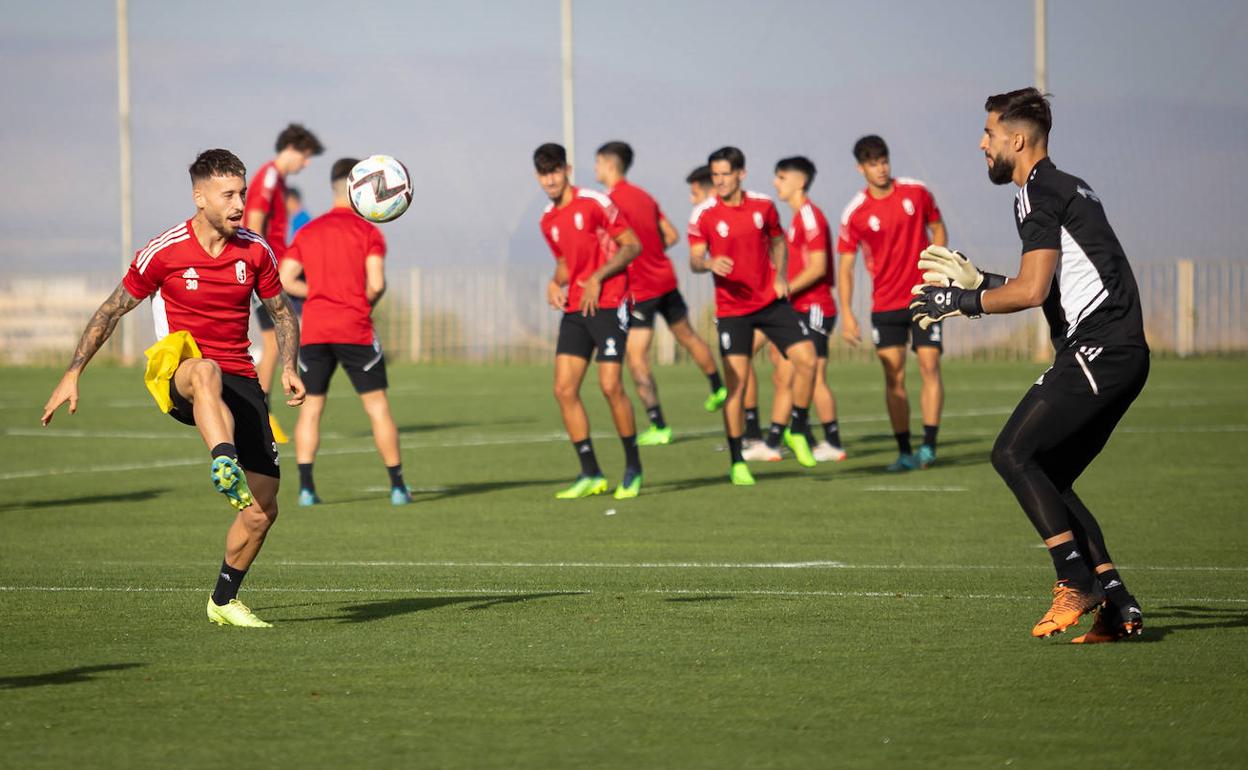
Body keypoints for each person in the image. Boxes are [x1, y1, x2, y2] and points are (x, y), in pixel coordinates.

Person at [911, 87, 1148, 643]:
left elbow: (1033, 288)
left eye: (989, 134)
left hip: (1099, 349)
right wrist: (983, 282)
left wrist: (960, 302)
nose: (982, 143)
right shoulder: (1069, 186)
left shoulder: (1035, 191)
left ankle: (1074, 580)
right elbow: (1048, 289)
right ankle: (1118, 604)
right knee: (1050, 474)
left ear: (1016, 140)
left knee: (1012, 453)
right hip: (1120, 353)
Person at [41, 149, 305, 628]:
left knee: (263, 509)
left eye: (242, 193)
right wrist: (73, 371)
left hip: (241, 378)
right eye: (228, 194)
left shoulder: (256, 251)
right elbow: (111, 310)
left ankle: (223, 600)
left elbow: (283, 313)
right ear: (199, 197)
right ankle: (222, 459)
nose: (239, 204)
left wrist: (288, 365)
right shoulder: (163, 251)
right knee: (203, 369)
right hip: (179, 370)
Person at [279, 158, 411, 507]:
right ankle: (398, 487)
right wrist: (356, 298)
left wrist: (319, 292)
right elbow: (377, 283)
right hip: (354, 329)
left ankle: (306, 490)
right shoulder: (369, 231)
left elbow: (285, 277)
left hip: (316, 331)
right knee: (377, 408)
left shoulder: (308, 231)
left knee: (310, 411)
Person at [689, 146, 819, 485]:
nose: (718, 181)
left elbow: (778, 240)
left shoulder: (763, 206)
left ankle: (798, 428)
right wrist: (707, 263)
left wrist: (780, 275)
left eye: (724, 174)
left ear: (741, 174)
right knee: (738, 385)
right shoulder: (703, 215)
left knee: (807, 359)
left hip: (770, 303)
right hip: (733, 312)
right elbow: (693, 259)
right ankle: (737, 461)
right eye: (714, 175)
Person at [594, 142, 726, 447]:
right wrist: (651, 253)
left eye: (598, 163)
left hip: (640, 287)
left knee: (636, 356)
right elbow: (671, 235)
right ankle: (717, 386)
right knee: (688, 335)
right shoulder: (644, 196)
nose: (597, 169)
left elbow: (607, 247)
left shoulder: (608, 202)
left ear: (608, 164)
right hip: (665, 278)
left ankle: (658, 425)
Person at [535, 143, 645, 499]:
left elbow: (631, 245)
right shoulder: (547, 220)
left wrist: (598, 277)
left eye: (554, 171)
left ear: (566, 169)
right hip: (576, 309)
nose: (549, 179)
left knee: (611, 386)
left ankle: (632, 467)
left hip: (611, 302)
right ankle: (591, 473)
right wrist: (555, 282)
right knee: (563, 390)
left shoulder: (595, 202)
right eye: (543, 173)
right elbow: (566, 263)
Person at [837, 135, 948, 471]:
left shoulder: (916, 192)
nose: (881, 168)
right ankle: (903, 451)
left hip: (925, 297)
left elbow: (938, 228)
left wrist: (937, 267)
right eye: (872, 163)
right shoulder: (855, 212)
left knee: (930, 366)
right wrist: (847, 313)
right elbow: (845, 266)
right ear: (861, 168)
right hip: (885, 305)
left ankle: (928, 446)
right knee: (893, 377)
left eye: (884, 160)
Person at [746, 156, 845, 463]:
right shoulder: (798, 218)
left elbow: (818, 267)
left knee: (813, 376)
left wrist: (784, 288)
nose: (776, 183)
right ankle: (777, 440)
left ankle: (831, 442)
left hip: (814, 307)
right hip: (798, 308)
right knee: (784, 374)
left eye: (781, 177)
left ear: (799, 181)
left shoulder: (810, 216)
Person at [245, 123, 324, 444]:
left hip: (271, 269)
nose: (306, 164)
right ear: (292, 148)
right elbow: (253, 223)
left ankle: (261, 413)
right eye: (305, 157)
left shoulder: (278, 180)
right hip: (264, 271)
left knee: (277, 341)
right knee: (277, 341)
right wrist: (261, 267)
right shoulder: (268, 177)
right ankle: (259, 413)